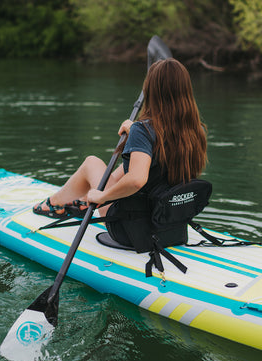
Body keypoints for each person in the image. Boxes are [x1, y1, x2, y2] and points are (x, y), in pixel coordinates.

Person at [33, 58, 208, 234]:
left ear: (151, 90)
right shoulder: (196, 130)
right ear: (186, 90)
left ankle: (54, 204)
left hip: (129, 228)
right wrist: (136, 133)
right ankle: (83, 199)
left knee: (92, 163)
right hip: (169, 225)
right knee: (128, 168)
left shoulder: (143, 130)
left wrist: (102, 196)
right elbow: (163, 149)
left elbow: (136, 180)